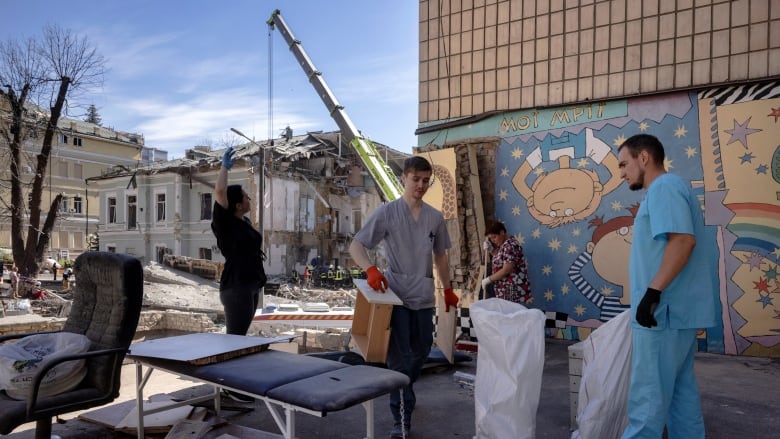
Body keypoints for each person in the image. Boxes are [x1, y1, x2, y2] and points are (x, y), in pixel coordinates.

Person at [617, 134, 719, 438]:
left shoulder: (664, 187)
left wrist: (652, 293)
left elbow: (683, 240)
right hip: (674, 315)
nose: (622, 172)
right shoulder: (670, 188)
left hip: (662, 314)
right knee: (680, 396)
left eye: (624, 164)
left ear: (644, 158)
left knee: (648, 399)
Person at [349, 156, 458, 439]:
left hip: (423, 295)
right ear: (404, 179)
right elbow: (356, 246)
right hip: (394, 296)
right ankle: (401, 419)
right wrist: (370, 268)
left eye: (425, 181)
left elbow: (440, 257)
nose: (420, 185)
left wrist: (447, 288)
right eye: (415, 179)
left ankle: (405, 390)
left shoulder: (434, 217)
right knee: (399, 359)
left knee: (421, 351)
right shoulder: (387, 213)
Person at [211, 146, 267, 403]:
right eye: (245, 197)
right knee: (234, 338)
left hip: (251, 285)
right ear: (235, 204)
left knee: (240, 337)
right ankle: (227, 386)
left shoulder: (243, 223)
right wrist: (224, 168)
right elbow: (220, 192)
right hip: (236, 287)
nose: (249, 199)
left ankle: (233, 384)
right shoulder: (225, 224)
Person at [481, 221, 532, 303]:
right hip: (505, 289)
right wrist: (491, 250)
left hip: (512, 290)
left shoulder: (510, 245)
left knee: (511, 314)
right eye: (490, 238)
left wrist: (489, 279)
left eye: (494, 237)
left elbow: (506, 270)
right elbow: (501, 259)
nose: (492, 240)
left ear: (502, 232)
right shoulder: (503, 244)